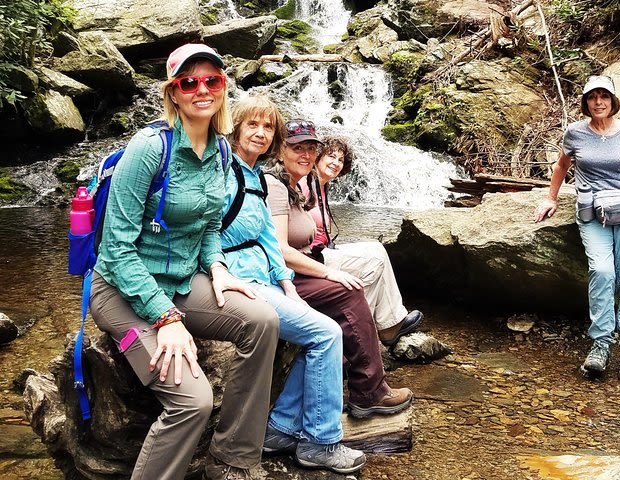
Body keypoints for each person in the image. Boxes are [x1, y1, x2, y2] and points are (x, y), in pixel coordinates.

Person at [89, 43, 279, 480]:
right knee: (193, 401)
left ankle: (233, 460)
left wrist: (218, 269)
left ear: (223, 87)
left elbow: (209, 227)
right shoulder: (148, 149)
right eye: (188, 82)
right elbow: (116, 249)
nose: (201, 89)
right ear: (173, 93)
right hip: (121, 292)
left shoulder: (223, 152)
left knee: (263, 321)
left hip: (181, 282)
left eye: (211, 80)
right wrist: (167, 319)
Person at [220, 94, 365, 474]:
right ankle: (320, 442)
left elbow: (269, 239)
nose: (261, 133)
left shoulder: (254, 177)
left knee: (314, 330)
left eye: (268, 127)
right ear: (235, 127)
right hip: (241, 280)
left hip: (265, 277)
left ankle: (281, 428)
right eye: (253, 124)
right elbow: (205, 232)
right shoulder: (221, 171)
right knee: (327, 334)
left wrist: (287, 285)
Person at [264, 119, 414, 419]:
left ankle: (365, 369)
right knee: (350, 289)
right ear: (280, 150)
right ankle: (370, 389)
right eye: (298, 148)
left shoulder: (292, 184)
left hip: (297, 270)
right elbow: (280, 251)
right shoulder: (276, 185)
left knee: (358, 279)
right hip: (279, 277)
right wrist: (329, 271)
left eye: (311, 148)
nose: (306, 155)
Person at [533, 75, 620, 382]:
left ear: (613, 101)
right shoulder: (575, 133)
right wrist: (549, 198)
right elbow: (562, 167)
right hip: (592, 212)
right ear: (586, 102)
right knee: (603, 271)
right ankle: (601, 343)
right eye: (593, 97)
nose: (598, 102)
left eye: (604, 96)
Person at [300, 136, 423, 346]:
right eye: (331, 156)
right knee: (375, 257)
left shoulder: (321, 186)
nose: (335, 163)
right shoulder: (304, 184)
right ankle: (370, 329)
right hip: (312, 258)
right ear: (318, 157)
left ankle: (378, 326)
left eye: (340, 159)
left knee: (376, 251)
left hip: (322, 252)